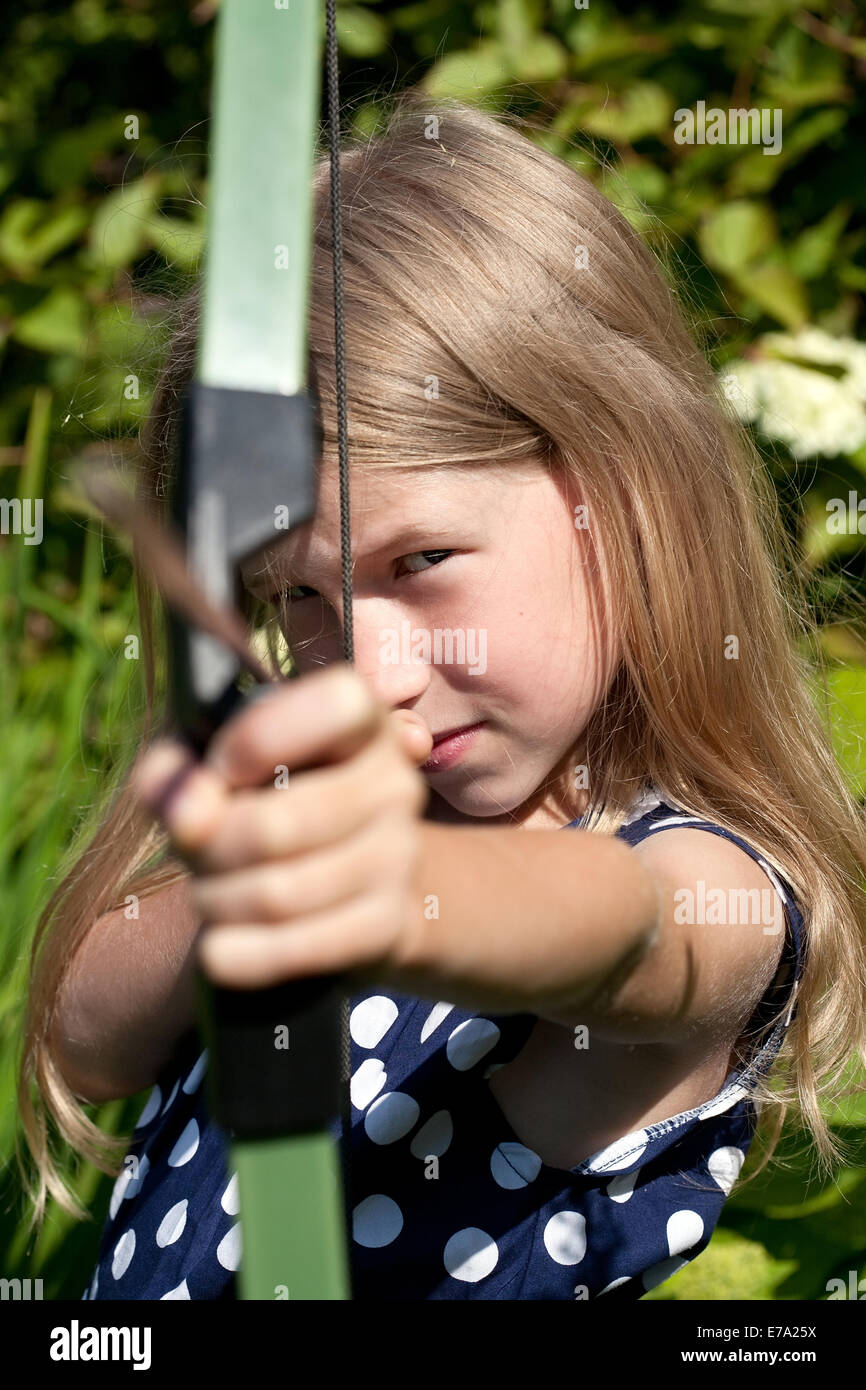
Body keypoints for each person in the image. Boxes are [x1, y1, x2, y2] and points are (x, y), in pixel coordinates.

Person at [18, 96, 866, 1301]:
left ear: (627, 493)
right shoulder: (336, 806)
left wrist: (387, 898)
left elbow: (628, 929)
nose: (366, 669)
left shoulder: (703, 874)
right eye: (293, 596)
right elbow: (83, 1038)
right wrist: (238, 891)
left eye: (419, 564)